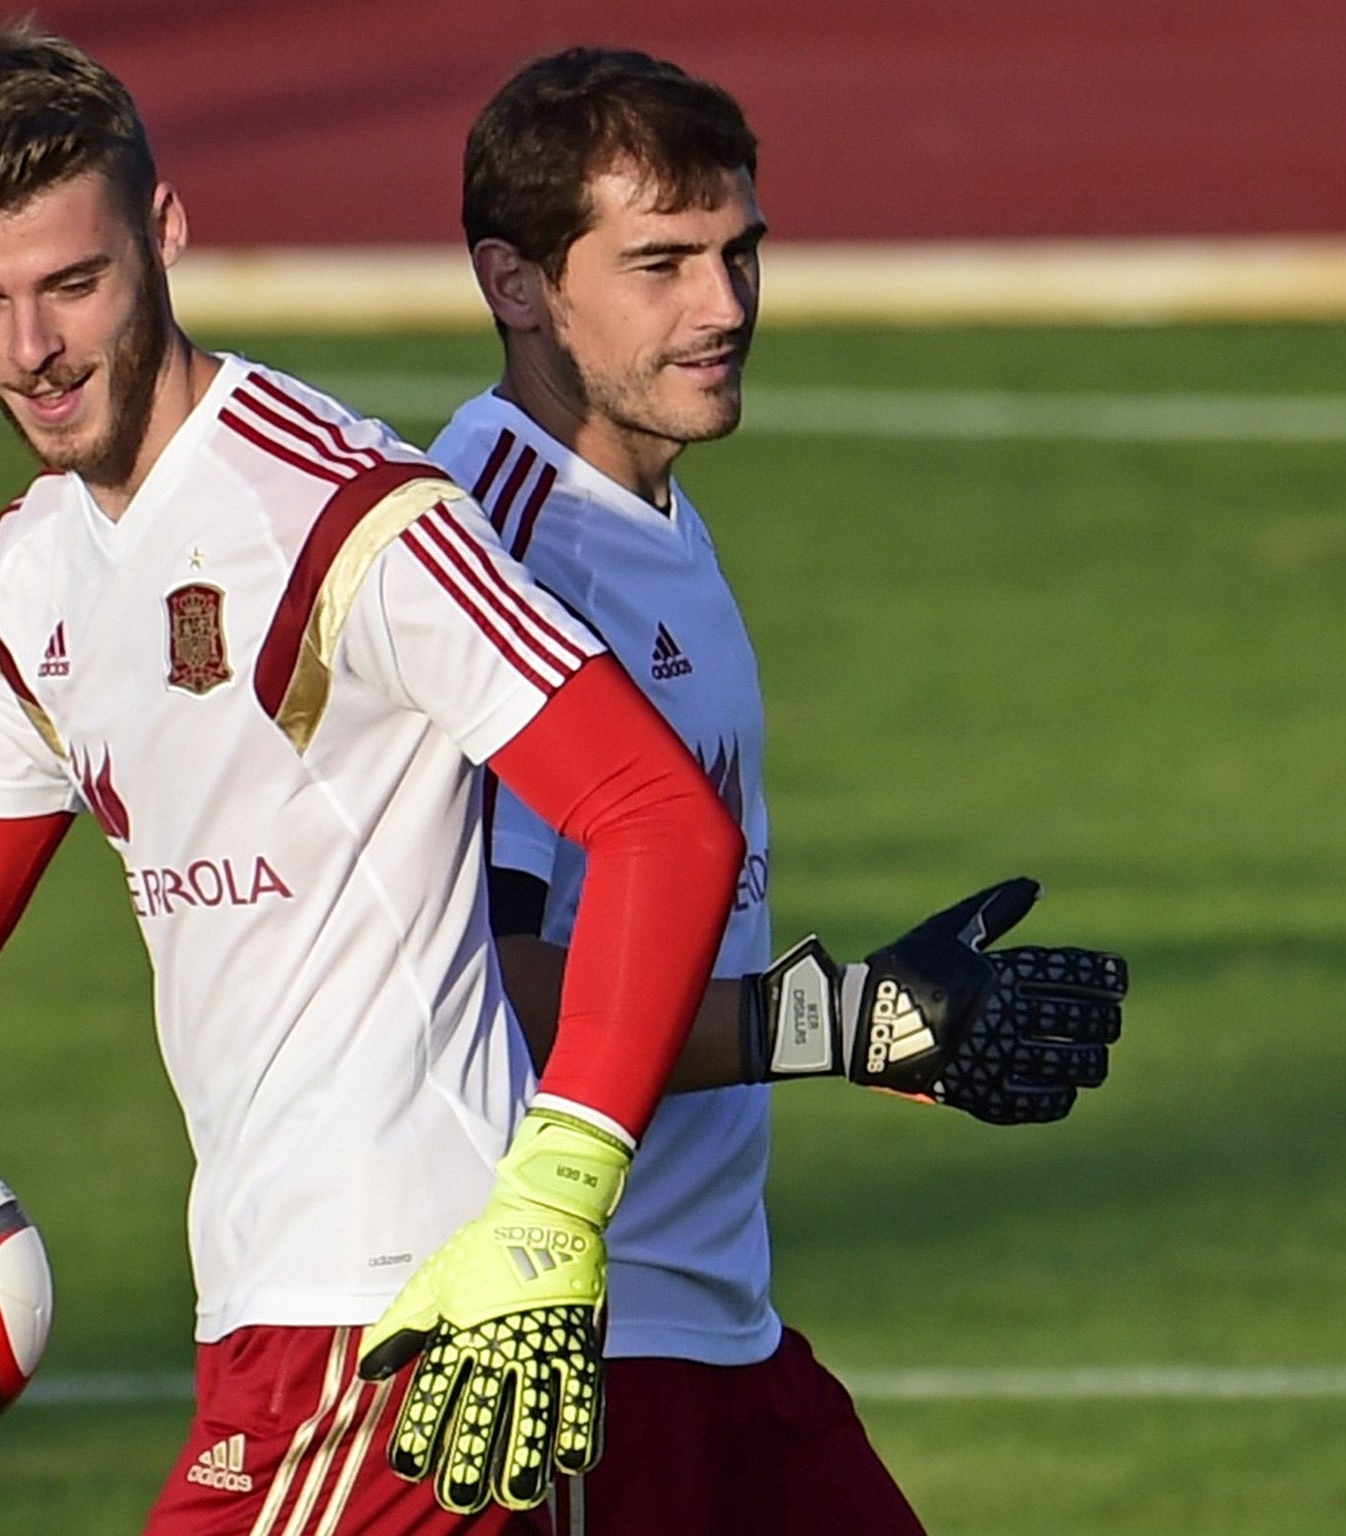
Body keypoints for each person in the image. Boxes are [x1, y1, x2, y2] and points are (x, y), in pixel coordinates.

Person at [0, 23, 750, 1534]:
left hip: (396, 1322)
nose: (29, 349)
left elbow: (654, 820)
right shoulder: (28, 583)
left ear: (163, 236)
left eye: (72, 285)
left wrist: (556, 1196)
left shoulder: (351, 518)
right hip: (266, 1321)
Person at [427, 48, 1131, 1535]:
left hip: (716, 1328)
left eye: (739, 252)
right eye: (663, 263)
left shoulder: (646, 516)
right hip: (575, 1357)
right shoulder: (496, 558)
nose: (727, 307)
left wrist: (862, 1032)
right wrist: (835, 1020)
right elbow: (484, 986)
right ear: (516, 282)